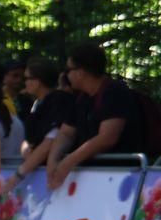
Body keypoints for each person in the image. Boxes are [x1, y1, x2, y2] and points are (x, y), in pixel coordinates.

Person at [46, 42, 145, 190]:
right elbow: (66, 133)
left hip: (119, 178)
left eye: (68, 70)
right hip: (92, 177)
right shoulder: (81, 99)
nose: (66, 75)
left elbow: (107, 138)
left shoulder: (114, 92)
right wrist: (53, 161)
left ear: (80, 72)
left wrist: (68, 162)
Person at [2, 57, 74, 191]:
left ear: (37, 81)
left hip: (55, 176)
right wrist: (26, 151)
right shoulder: (37, 104)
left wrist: (19, 174)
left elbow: (50, 140)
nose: (24, 82)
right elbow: (28, 140)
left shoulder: (58, 101)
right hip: (37, 170)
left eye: (26, 78)